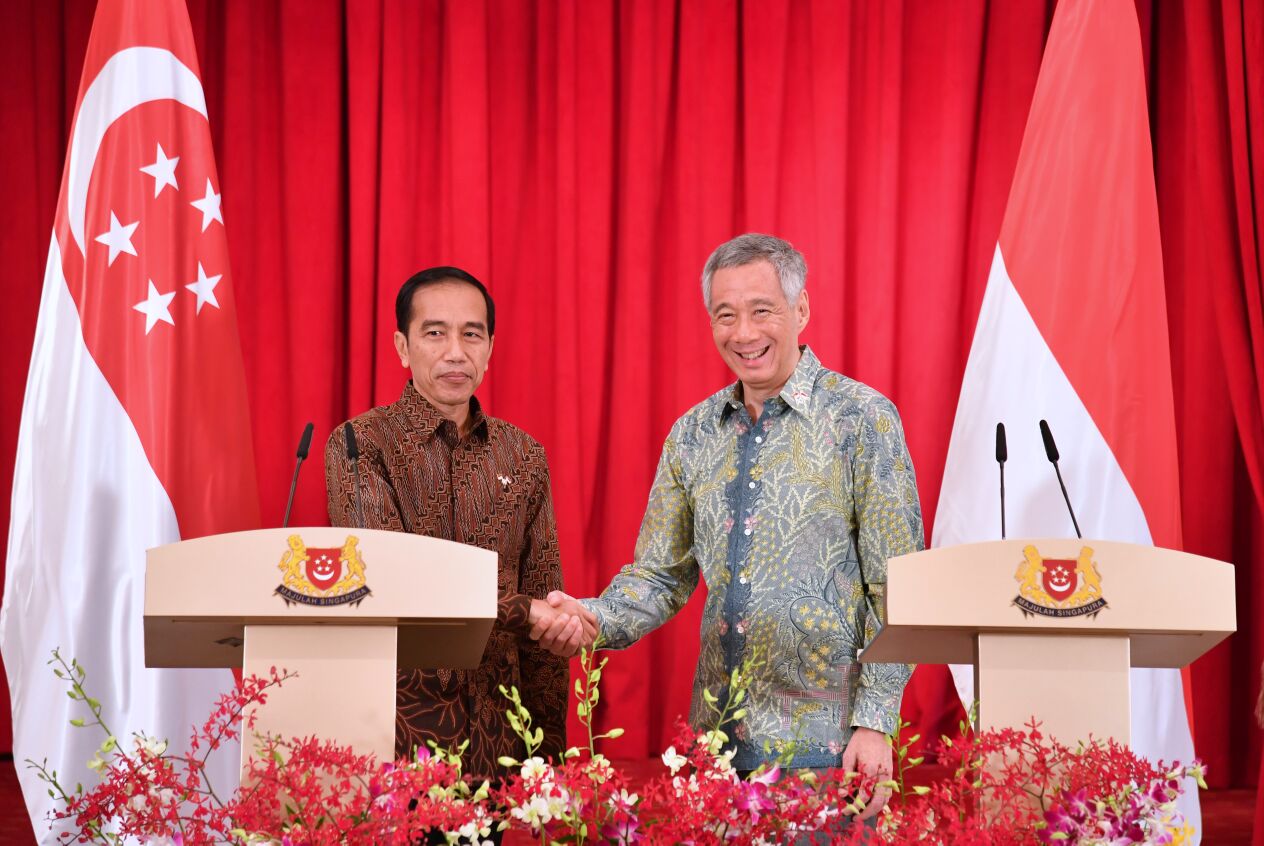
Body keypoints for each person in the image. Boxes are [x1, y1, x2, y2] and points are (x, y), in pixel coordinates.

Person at [536, 234, 924, 823]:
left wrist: (875, 721)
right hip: (717, 747)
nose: (743, 333)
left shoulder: (862, 419)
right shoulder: (693, 435)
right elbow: (659, 576)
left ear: (801, 310)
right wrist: (592, 618)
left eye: (761, 310)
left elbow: (900, 590)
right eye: (725, 315)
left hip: (828, 747)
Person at [325, 266, 583, 791]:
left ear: (490, 347)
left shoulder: (523, 455)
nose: (455, 351)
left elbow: (543, 599)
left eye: (472, 333)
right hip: (394, 739)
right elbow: (392, 576)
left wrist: (547, 753)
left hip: (497, 740)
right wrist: (524, 610)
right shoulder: (360, 445)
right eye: (435, 332)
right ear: (402, 345)